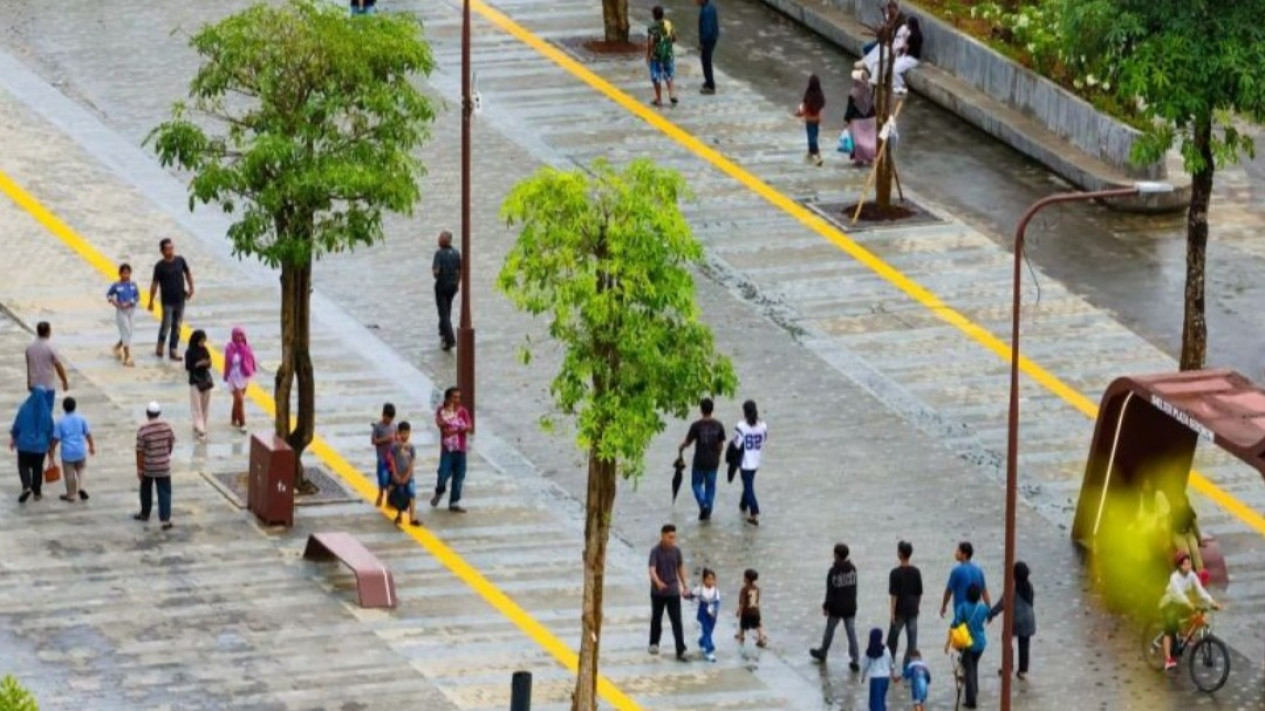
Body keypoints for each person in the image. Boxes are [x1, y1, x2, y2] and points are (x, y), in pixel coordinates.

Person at [1160, 551, 1220, 671]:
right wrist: (1189, 604)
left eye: (1189, 563)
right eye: (1184, 564)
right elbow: (1178, 594)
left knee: (1197, 617)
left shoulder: (1192, 575)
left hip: (1184, 603)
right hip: (1170, 603)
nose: (1188, 566)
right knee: (1169, 629)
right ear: (1179, 566)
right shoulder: (1174, 578)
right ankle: (1168, 659)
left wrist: (1212, 602)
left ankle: (1184, 636)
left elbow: (1200, 591)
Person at [811, 543, 860, 670]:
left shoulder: (833, 572)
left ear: (837, 555)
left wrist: (826, 606)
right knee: (851, 632)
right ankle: (855, 658)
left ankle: (823, 651)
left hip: (836, 608)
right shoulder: (853, 569)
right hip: (850, 606)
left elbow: (830, 592)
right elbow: (854, 589)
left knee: (830, 630)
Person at [677, 397, 725, 520]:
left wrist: (681, 448)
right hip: (713, 461)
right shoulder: (718, 425)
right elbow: (720, 445)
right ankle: (708, 511)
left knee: (696, 484)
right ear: (712, 410)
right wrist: (718, 457)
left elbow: (688, 442)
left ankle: (703, 504)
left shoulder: (696, 426)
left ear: (701, 410)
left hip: (699, 461)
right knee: (710, 487)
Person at [648, 523, 691, 660]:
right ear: (662, 536)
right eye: (669, 537)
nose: (672, 540)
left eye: (674, 537)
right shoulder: (655, 551)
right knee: (656, 618)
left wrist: (685, 585)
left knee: (677, 621)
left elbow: (680, 568)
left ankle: (680, 650)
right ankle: (654, 642)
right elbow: (652, 569)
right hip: (658, 592)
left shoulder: (676, 551)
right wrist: (658, 582)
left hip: (673, 591)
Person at [147, 238, 195, 360]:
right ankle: (160, 347)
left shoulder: (180, 260)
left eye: (172, 247)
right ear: (162, 251)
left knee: (177, 325)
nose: (170, 250)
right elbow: (154, 284)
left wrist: (191, 288)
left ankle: (173, 349)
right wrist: (151, 301)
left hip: (180, 299)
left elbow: (188, 274)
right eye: (167, 249)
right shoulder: (159, 266)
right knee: (166, 324)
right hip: (167, 301)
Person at [988, 560, 1035, 679]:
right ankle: (1023, 670)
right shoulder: (1029, 587)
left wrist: (991, 613)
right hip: (1029, 618)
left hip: (1016, 619)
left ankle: (1008, 666)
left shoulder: (1012, 588)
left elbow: (1002, 604)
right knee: (1024, 644)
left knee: (1006, 639)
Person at [946, 583, 989, 709]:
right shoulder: (983, 608)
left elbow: (955, 624)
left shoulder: (962, 607)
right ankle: (974, 691)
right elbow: (990, 614)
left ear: (967, 594)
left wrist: (948, 642)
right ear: (979, 596)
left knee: (968, 670)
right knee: (974, 667)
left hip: (967, 644)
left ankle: (971, 701)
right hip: (980, 644)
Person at [135, 401, 176, 530]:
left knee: (146, 490)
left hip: (149, 466)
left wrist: (140, 468)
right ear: (159, 413)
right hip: (163, 465)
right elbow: (171, 443)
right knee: (165, 492)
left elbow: (140, 451)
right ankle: (165, 519)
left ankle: (145, 513)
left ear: (147, 414)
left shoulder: (143, 429)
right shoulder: (167, 427)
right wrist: (165, 456)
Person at [9, 387, 54, 503]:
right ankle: (37, 492)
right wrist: (49, 444)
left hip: (24, 444)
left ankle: (26, 485)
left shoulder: (24, 408)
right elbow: (50, 429)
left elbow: (17, 425)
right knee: (37, 468)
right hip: (40, 446)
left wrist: (13, 438)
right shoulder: (46, 412)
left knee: (23, 465)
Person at [431, 386, 471, 513]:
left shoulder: (463, 411)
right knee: (443, 473)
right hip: (447, 450)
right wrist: (448, 418)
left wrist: (457, 429)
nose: (457, 400)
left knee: (459, 476)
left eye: (459, 397)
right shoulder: (441, 411)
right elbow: (440, 423)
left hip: (461, 449)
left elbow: (469, 426)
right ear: (448, 398)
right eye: (454, 397)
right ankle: (440, 490)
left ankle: (454, 502)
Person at [49, 396, 95, 502]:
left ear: (64, 407)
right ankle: (82, 487)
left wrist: (51, 451)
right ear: (75, 406)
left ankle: (71, 494)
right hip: (80, 450)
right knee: (81, 469)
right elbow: (88, 434)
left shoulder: (60, 421)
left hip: (67, 452)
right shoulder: (81, 418)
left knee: (69, 474)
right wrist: (92, 446)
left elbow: (55, 439)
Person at [887, 539, 923, 671]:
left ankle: (890, 664)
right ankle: (907, 667)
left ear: (900, 554)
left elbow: (894, 595)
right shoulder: (916, 571)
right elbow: (919, 593)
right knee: (912, 641)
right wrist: (917, 607)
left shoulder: (895, 573)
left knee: (892, 639)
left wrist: (892, 614)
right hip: (913, 609)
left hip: (900, 611)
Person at [732, 400, 767, 525]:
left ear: (745, 412)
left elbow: (736, 444)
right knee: (748, 484)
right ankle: (743, 505)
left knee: (748, 487)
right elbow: (765, 439)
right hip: (756, 460)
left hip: (745, 462)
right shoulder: (763, 425)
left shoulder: (741, 426)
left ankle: (754, 512)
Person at [940, 541, 990, 618]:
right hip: (975, 612)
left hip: (961, 612)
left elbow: (948, 591)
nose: (955, 553)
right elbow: (984, 592)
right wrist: (988, 609)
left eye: (958, 551)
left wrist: (944, 606)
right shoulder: (979, 570)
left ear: (964, 554)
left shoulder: (956, 571)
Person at [25, 321, 68, 408]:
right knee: (47, 412)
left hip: (34, 385)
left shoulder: (29, 347)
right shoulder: (51, 347)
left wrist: (29, 382)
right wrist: (64, 381)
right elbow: (58, 366)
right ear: (48, 332)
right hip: (47, 386)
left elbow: (29, 366)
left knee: (36, 410)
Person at [432, 231, 462, 352]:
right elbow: (460, 269)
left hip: (442, 285)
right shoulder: (456, 253)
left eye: (439, 238)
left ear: (444, 240)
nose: (438, 240)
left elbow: (436, 271)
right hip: (452, 286)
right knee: (447, 309)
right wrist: (457, 283)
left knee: (443, 313)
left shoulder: (439, 254)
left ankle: (450, 339)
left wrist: (435, 272)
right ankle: (443, 332)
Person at [222, 327, 257, 431]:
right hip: (233, 377)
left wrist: (252, 369)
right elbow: (229, 361)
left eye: (242, 335)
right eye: (237, 335)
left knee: (237, 400)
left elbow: (251, 360)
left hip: (243, 376)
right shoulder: (229, 348)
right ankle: (242, 423)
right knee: (240, 400)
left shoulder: (247, 347)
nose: (240, 338)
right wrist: (225, 374)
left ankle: (233, 419)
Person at [107, 263, 139, 367]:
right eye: (124, 273)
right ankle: (127, 356)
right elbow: (109, 295)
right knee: (125, 330)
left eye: (128, 273)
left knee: (129, 332)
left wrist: (130, 302)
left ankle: (117, 346)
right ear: (120, 274)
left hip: (131, 310)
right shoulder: (117, 285)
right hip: (121, 311)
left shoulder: (133, 285)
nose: (126, 275)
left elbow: (137, 296)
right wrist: (115, 302)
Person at [845, 67, 878, 167]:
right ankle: (870, 158)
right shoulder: (869, 89)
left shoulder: (853, 93)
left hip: (858, 120)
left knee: (858, 141)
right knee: (870, 139)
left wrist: (846, 119)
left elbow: (850, 108)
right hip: (871, 117)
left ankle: (859, 160)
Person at [646, 6, 678, 108]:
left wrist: (648, 54)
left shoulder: (652, 27)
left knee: (656, 77)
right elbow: (674, 38)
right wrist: (668, 44)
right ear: (662, 14)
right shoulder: (668, 24)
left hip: (656, 56)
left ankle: (659, 99)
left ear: (654, 15)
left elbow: (651, 42)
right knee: (669, 74)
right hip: (668, 54)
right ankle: (671, 93)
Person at [391, 421, 421, 527]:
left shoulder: (411, 447)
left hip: (409, 477)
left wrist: (407, 476)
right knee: (400, 495)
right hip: (398, 477)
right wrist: (395, 474)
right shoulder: (395, 447)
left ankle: (412, 517)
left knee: (412, 494)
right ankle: (399, 515)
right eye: (402, 433)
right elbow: (392, 460)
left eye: (407, 433)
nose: (405, 436)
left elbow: (412, 462)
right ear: (398, 433)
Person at [184, 329, 213, 440]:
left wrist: (207, 363)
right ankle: (200, 428)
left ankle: (202, 425)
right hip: (195, 381)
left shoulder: (204, 350)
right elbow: (188, 367)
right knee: (196, 406)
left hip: (205, 380)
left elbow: (209, 362)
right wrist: (198, 364)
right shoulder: (189, 352)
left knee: (205, 405)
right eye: (201, 341)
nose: (202, 343)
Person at [796, 75, 827, 167]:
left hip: (809, 118)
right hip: (816, 119)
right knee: (815, 134)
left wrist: (800, 111)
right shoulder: (820, 94)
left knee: (811, 136)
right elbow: (822, 103)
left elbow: (804, 103)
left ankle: (817, 155)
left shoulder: (808, 93)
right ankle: (810, 152)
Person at [690, 568, 721, 662]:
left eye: (712, 579)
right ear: (704, 579)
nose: (710, 581)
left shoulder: (716, 591)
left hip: (712, 615)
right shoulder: (699, 589)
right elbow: (691, 595)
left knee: (709, 631)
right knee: (706, 631)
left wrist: (713, 610)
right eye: (708, 578)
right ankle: (709, 651)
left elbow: (718, 602)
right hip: (703, 613)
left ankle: (702, 641)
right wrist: (685, 594)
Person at [861, 627, 893, 711]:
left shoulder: (869, 651)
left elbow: (865, 665)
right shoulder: (886, 649)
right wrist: (893, 673)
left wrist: (863, 676)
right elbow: (890, 663)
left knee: (875, 703)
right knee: (881, 700)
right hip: (885, 678)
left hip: (875, 679)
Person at [371, 403, 397, 508]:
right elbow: (374, 441)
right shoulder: (378, 427)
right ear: (383, 415)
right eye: (387, 418)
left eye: (391, 419)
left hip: (392, 459)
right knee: (383, 478)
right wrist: (386, 439)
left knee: (391, 479)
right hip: (382, 458)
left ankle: (389, 499)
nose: (389, 421)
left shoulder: (394, 426)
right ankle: (381, 493)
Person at [735, 568, 767, 647]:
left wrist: (739, 610)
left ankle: (741, 637)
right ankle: (761, 638)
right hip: (755, 611)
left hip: (746, 612)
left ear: (746, 579)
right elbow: (757, 600)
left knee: (742, 625)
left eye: (744, 577)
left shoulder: (744, 589)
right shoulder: (757, 588)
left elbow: (742, 602)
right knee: (758, 625)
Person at [696, 0, 719, 94]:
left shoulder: (705, 11)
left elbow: (707, 29)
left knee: (706, 61)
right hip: (713, 37)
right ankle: (708, 81)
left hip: (708, 39)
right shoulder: (711, 7)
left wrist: (702, 43)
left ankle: (710, 86)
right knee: (706, 60)